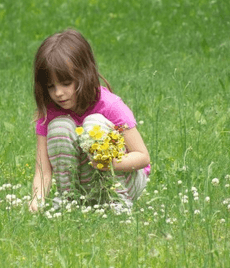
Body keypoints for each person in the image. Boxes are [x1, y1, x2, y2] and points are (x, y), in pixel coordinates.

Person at [30, 29, 150, 212]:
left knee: (93, 123)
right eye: (50, 86)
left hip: (124, 179)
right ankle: (69, 201)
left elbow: (142, 157)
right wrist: (36, 202)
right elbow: (43, 170)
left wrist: (109, 163)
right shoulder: (50, 113)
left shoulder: (109, 105)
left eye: (66, 83)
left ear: (84, 74)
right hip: (86, 185)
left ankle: (115, 202)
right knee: (59, 127)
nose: (58, 93)